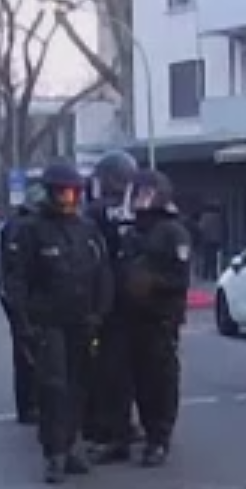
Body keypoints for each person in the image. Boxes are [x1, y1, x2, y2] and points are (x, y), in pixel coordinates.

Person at [3, 162, 112, 484]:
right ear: (51, 193)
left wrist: (100, 312)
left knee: (80, 385)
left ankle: (73, 444)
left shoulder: (87, 230)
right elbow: (17, 281)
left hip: (83, 320)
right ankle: (55, 452)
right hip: (47, 322)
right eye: (64, 192)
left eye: (74, 192)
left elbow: (102, 272)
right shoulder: (31, 230)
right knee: (53, 386)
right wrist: (24, 323)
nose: (69, 198)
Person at [101, 168, 193, 467]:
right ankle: (120, 438)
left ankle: (158, 439)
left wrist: (153, 284)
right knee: (119, 380)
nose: (139, 200)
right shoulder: (132, 230)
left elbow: (180, 279)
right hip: (126, 317)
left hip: (158, 319)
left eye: (145, 194)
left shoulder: (172, 231)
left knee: (158, 382)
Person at [84, 150, 143, 450]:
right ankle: (131, 424)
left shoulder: (94, 212)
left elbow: (88, 256)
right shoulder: (141, 208)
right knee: (136, 367)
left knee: (108, 366)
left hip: (107, 299)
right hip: (141, 299)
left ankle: (110, 428)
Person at [0, 204, 40, 425]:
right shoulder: (31, 228)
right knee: (34, 353)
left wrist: (5, 295)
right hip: (31, 298)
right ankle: (34, 405)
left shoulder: (9, 226)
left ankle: (28, 407)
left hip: (16, 297)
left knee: (23, 353)